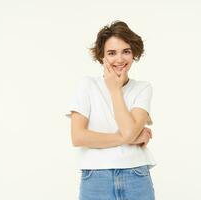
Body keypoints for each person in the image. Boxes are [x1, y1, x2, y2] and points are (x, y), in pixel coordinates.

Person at [66, 20, 156, 200]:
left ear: (134, 53)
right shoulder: (87, 85)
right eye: (112, 53)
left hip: (136, 175)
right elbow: (78, 137)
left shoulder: (143, 88)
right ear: (102, 56)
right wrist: (127, 138)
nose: (120, 59)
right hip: (96, 179)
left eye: (126, 51)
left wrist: (115, 90)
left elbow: (129, 132)